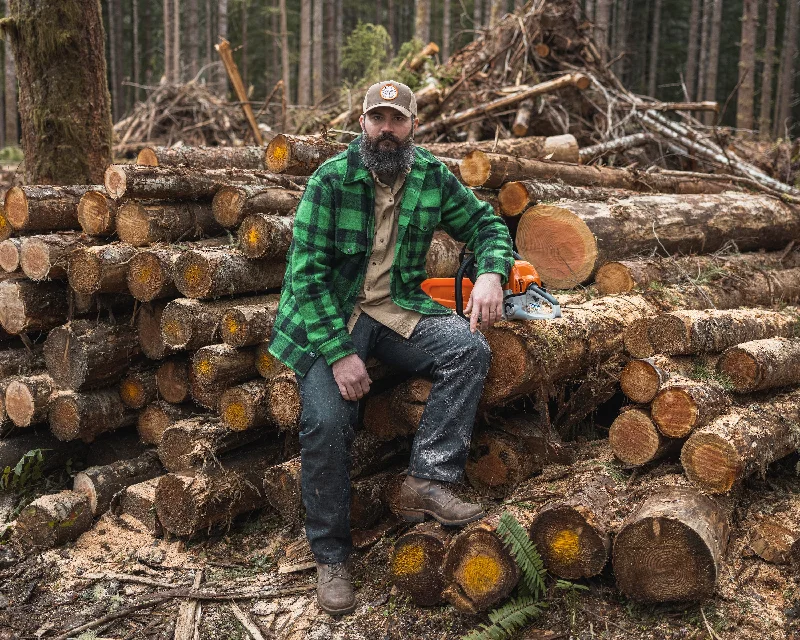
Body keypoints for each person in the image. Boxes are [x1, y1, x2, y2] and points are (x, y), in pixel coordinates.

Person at [268, 79, 514, 616]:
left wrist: (493, 273)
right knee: (329, 423)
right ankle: (331, 556)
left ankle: (427, 479)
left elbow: (486, 223)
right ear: (361, 123)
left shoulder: (430, 174)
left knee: (468, 349)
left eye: (396, 120)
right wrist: (338, 353)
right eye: (377, 119)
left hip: (396, 306)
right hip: (328, 315)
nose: (386, 130)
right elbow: (306, 279)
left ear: (412, 126)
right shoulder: (330, 182)